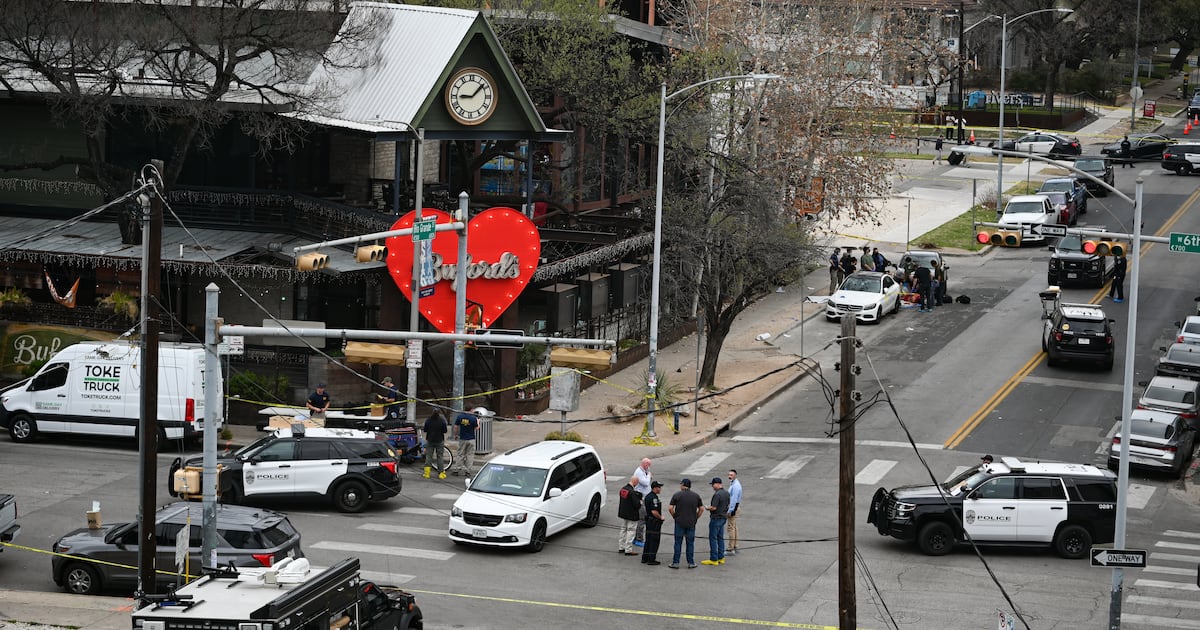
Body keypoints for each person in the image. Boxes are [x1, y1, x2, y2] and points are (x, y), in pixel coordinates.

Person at [667, 478, 704, 569]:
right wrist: (696, 518)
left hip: (679, 522)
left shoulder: (677, 495)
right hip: (691, 522)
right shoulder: (696, 496)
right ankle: (691, 562)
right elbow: (701, 509)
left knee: (678, 542)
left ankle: (676, 562)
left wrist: (675, 516)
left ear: (683, 485)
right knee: (690, 543)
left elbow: (670, 508)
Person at [700, 477, 730, 566]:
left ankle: (714, 559)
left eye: (713, 485)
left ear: (717, 484)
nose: (712, 487)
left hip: (716, 518)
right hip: (723, 517)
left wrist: (707, 507)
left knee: (713, 538)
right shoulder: (726, 493)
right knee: (720, 538)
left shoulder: (717, 495)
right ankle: (721, 557)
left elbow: (714, 507)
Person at [451, 407, 481, 476]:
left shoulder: (460, 417)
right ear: (471, 410)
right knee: (469, 455)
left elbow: (456, 427)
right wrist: (478, 422)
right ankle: (468, 471)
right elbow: (477, 428)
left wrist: (455, 435)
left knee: (460, 454)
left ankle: (457, 469)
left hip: (462, 439)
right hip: (471, 439)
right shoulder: (473, 418)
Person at [617, 476, 642, 555]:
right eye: (637, 483)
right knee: (631, 532)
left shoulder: (623, 489)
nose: (637, 484)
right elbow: (636, 504)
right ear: (635, 481)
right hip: (632, 515)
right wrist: (640, 502)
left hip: (623, 513)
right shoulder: (632, 492)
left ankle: (621, 547)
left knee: (623, 530)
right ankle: (628, 549)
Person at [641, 481, 665, 565]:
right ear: (655, 488)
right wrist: (661, 517)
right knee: (654, 540)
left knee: (648, 540)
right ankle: (651, 559)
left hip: (649, 521)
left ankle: (645, 558)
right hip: (654, 522)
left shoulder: (648, 496)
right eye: (659, 487)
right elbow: (654, 511)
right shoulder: (654, 498)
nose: (660, 489)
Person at [422, 409, 449, 479]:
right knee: (440, 457)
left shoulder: (428, 420)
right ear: (439, 413)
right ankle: (441, 473)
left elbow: (425, 430)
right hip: (439, 440)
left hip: (430, 440)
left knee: (429, 456)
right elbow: (445, 431)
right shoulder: (442, 420)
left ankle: (427, 473)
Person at [725, 469, 742, 556]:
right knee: (734, 527)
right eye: (729, 474)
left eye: (731, 475)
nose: (729, 476)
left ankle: (730, 548)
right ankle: (735, 545)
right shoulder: (734, 484)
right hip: (735, 507)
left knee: (730, 528)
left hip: (733, 508)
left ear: (735, 475)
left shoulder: (735, 486)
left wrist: (730, 510)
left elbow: (734, 500)